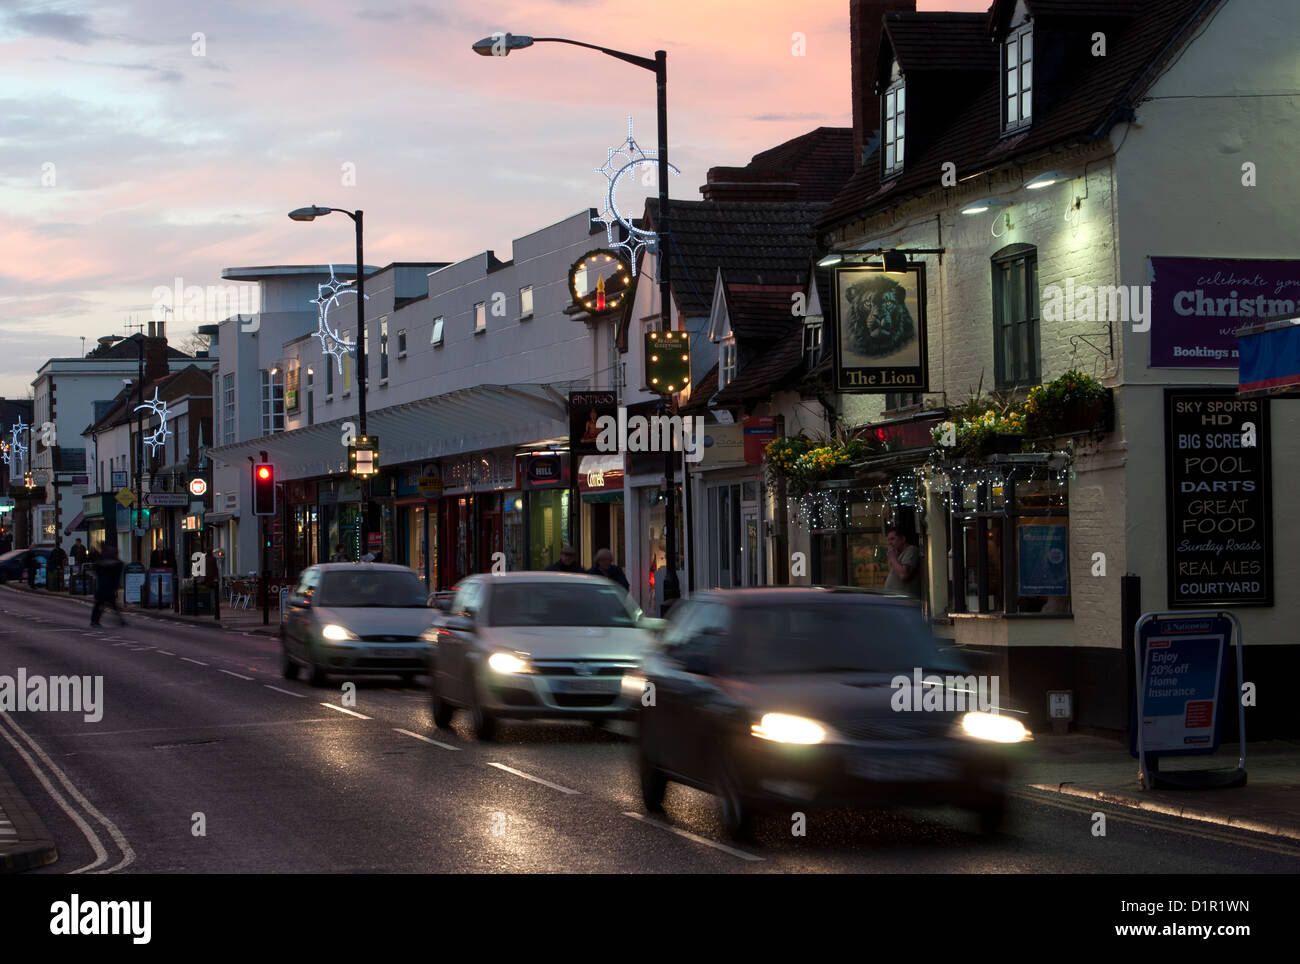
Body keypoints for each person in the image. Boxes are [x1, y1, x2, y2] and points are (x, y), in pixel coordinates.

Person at [91, 544, 127, 627]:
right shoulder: (107, 563)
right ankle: (94, 621)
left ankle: (95, 621)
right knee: (102, 605)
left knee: (104, 605)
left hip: (106, 588)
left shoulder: (109, 563)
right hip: (104, 588)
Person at [884, 525, 923, 598]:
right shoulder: (898, 554)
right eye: (888, 540)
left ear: (902, 539)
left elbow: (904, 575)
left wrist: (892, 558)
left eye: (892, 539)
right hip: (896, 601)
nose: (889, 543)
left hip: (905, 602)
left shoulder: (911, 550)